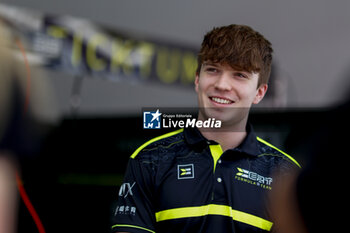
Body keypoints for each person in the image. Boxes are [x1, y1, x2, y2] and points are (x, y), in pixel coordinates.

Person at [111, 24, 301, 233]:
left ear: (259, 92)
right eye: (213, 69)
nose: (222, 84)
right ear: (197, 79)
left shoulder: (286, 174)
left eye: (239, 75)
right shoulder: (149, 159)